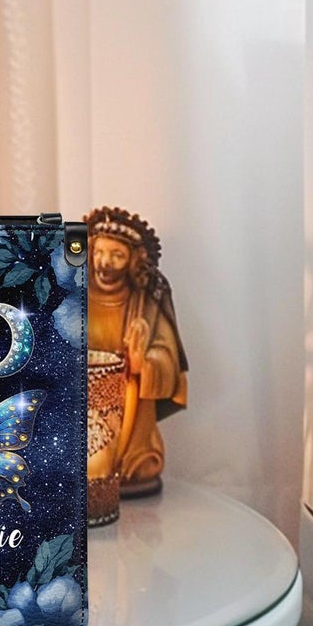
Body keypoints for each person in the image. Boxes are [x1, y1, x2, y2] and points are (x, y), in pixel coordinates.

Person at [84, 206, 187, 494]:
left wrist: (144, 362)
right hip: (85, 404)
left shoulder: (145, 301)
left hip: (130, 411)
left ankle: (120, 467)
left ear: (133, 260)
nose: (105, 263)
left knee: (137, 465)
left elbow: (167, 357)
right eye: (100, 252)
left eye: (117, 255)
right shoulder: (75, 293)